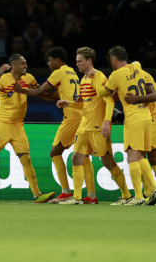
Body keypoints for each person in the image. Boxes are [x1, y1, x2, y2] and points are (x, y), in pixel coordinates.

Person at [0, 54, 55, 203]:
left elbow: (39, 92)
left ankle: (37, 194)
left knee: (26, 158)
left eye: (26, 63)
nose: (26, 66)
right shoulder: (4, 79)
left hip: (18, 124)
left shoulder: (29, 79)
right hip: (1, 123)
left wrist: (57, 97)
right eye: (23, 63)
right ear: (14, 65)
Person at [13, 47, 94, 203]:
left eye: (49, 60)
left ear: (57, 60)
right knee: (83, 156)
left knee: (55, 152)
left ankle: (66, 192)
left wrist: (21, 90)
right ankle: (91, 195)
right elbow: (55, 95)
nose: (48, 64)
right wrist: (39, 93)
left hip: (71, 116)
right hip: (82, 115)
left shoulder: (58, 73)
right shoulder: (71, 72)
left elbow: (40, 90)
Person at [56, 47, 132, 205]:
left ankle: (126, 196)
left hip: (97, 127)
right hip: (84, 126)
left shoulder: (99, 76)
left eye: (80, 61)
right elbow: (86, 105)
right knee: (76, 158)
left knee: (108, 162)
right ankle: (77, 197)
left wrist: (106, 122)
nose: (77, 64)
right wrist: (68, 104)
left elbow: (109, 100)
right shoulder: (83, 80)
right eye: (76, 61)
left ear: (89, 60)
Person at [97, 46, 156, 205]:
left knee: (131, 155)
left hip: (133, 118)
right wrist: (139, 97)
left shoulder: (116, 75)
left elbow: (104, 92)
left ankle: (137, 197)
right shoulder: (138, 68)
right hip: (146, 117)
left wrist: (99, 87)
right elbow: (153, 94)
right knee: (140, 156)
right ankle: (151, 191)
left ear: (113, 60)